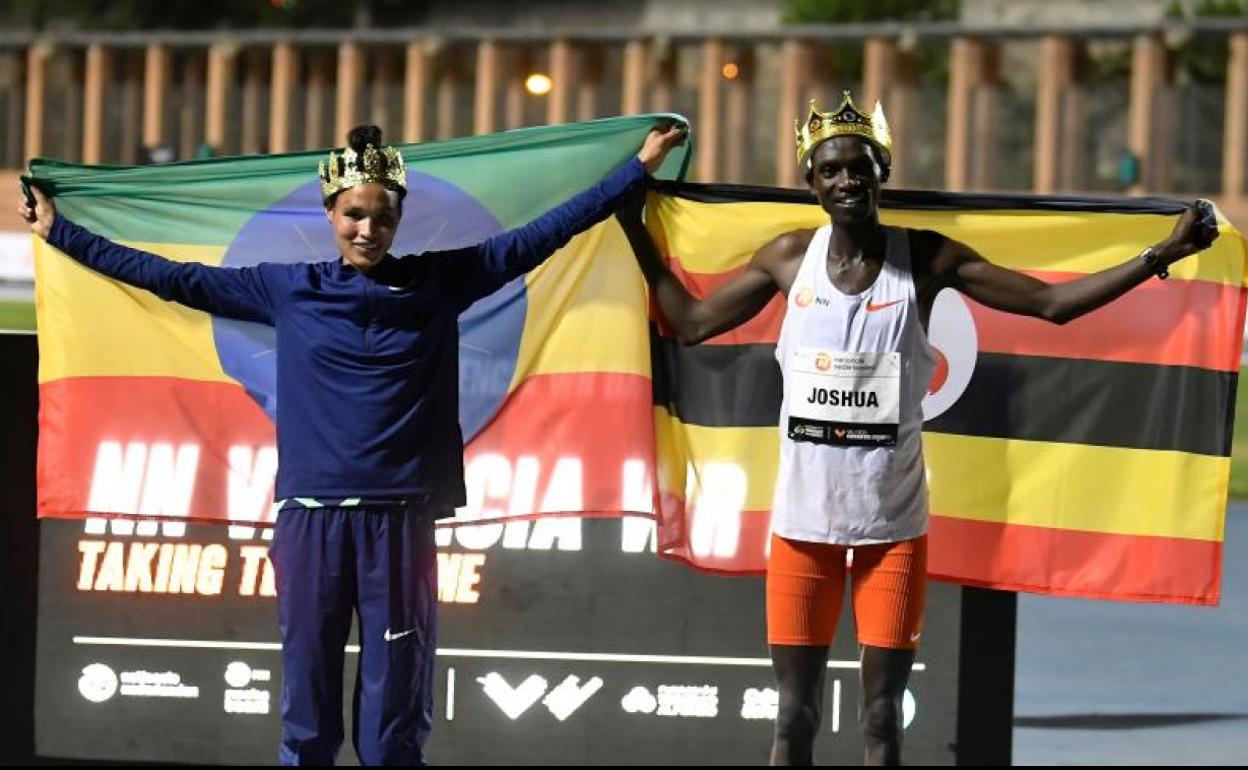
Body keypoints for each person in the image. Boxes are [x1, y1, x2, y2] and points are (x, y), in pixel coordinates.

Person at [21, 122, 685, 766]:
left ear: (399, 217)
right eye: (354, 215)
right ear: (330, 212)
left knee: (395, 715)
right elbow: (172, 278)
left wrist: (636, 169)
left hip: (401, 524)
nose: (369, 229)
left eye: (382, 217)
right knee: (306, 713)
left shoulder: (440, 281)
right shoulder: (287, 288)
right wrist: (61, 233)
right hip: (311, 522)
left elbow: (542, 235)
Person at [615, 92, 1217, 766]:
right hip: (802, 527)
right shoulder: (788, 259)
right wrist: (630, 218)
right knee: (792, 716)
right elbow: (691, 323)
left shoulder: (925, 259)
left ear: (883, 173)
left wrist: (1160, 254)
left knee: (881, 721)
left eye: (860, 168)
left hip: (891, 530)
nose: (848, 181)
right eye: (832, 171)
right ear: (811, 184)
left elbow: (1050, 305)